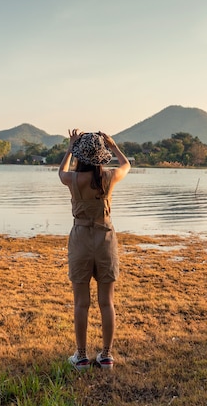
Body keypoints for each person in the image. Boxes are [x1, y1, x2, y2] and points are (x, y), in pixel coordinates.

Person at [58, 129, 131, 370]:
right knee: (106, 302)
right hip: (105, 238)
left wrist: (70, 146)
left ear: (80, 156)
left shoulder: (72, 180)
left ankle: (80, 356)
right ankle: (106, 355)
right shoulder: (109, 178)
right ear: (101, 156)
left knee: (81, 302)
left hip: (80, 239)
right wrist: (113, 145)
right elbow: (126, 164)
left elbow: (61, 171)